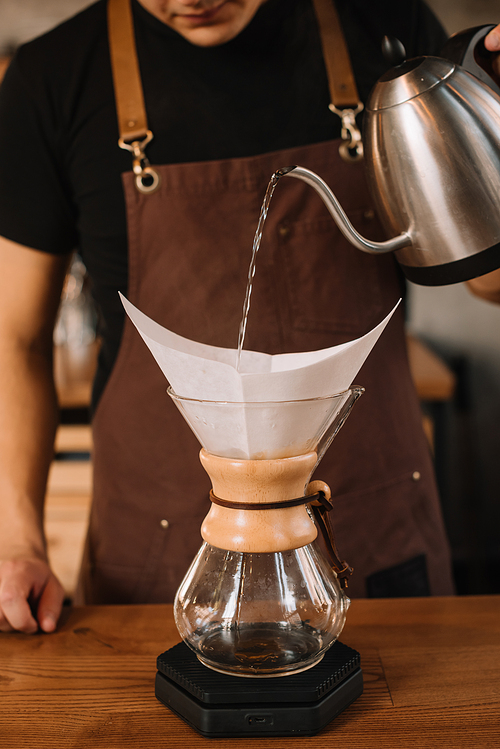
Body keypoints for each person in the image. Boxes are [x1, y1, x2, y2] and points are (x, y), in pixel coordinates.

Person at [0, 0, 500, 635]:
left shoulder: (386, 27)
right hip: (161, 551)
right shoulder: (53, 77)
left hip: (372, 538)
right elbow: (14, 338)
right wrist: (18, 541)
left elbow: (488, 278)